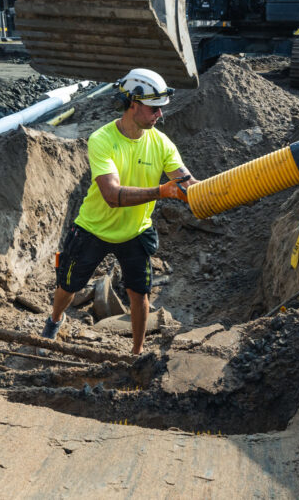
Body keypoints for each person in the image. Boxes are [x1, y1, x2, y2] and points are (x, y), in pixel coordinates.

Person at [40, 68, 198, 355]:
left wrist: (220, 192)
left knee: (140, 294)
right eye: (154, 109)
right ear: (133, 103)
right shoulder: (102, 139)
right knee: (68, 284)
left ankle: (136, 353)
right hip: (93, 228)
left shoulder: (161, 143)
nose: (159, 116)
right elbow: (112, 195)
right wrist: (161, 191)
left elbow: (188, 184)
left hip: (135, 231)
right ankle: (54, 320)